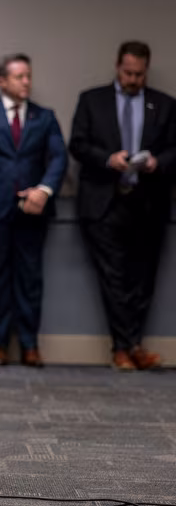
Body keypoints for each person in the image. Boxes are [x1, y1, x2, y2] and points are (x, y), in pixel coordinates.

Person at [69, 41, 176, 371]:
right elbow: (78, 144)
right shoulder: (92, 100)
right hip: (105, 202)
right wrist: (108, 159)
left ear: (147, 70)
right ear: (118, 67)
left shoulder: (164, 105)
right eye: (128, 73)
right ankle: (124, 347)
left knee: (143, 278)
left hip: (148, 203)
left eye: (139, 74)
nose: (133, 80)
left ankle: (132, 345)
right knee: (113, 278)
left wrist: (158, 162)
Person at [0, 53, 66, 368]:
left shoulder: (44, 117)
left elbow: (59, 158)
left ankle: (29, 345)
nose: (26, 82)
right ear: (3, 81)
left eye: (28, 76)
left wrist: (44, 190)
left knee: (30, 279)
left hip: (32, 210)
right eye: (20, 77)